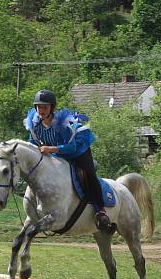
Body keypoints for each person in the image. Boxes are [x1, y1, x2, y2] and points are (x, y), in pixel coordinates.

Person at [24, 89, 111, 231]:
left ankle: (101, 210)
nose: (41, 110)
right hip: (57, 155)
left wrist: (50, 149)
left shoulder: (61, 124)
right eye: (39, 107)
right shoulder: (34, 124)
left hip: (78, 152)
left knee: (89, 175)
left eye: (45, 107)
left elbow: (71, 147)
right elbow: (33, 143)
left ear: (52, 108)